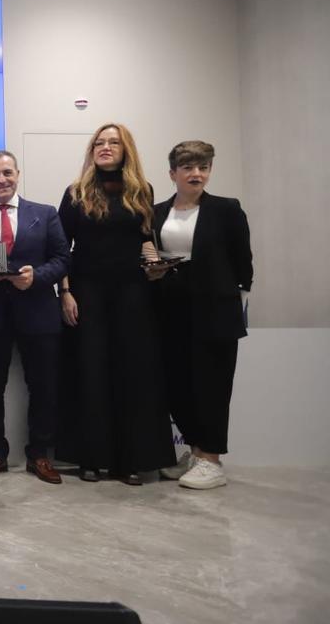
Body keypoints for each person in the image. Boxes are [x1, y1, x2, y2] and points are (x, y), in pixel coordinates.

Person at [55, 123, 175, 485]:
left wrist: (156, 265)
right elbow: (61, 250)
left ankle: (132, 460)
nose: (105, 148)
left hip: (133, 294)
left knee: (133, 373)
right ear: (92, 150)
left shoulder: (143, 191)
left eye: (113, 142)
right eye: (99, 143)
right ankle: (92, 459)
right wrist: (65, 292)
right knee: (91, 372)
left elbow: (146, 240)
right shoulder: (75, 193)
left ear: (126, 150)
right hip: (87, 292)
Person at [0, 150, 70, 484]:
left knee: (44, 386)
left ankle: (40, 455)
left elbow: (63, 259)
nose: (1, 180)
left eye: (7, 173)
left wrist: (35, 276)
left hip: (38, 313)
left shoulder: (46, 214)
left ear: (17, 174)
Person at [153, 140, 253, 489]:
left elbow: (244, 264)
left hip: (215, 309)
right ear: (173, 173)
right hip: (171, 307)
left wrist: (237, 302)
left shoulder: (227, 209)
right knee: (178, 384)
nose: (196, 173)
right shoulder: (157, 211)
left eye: (203, 167)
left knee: (212, 384)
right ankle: (195, 452)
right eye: (188, 167)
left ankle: (212, 459)